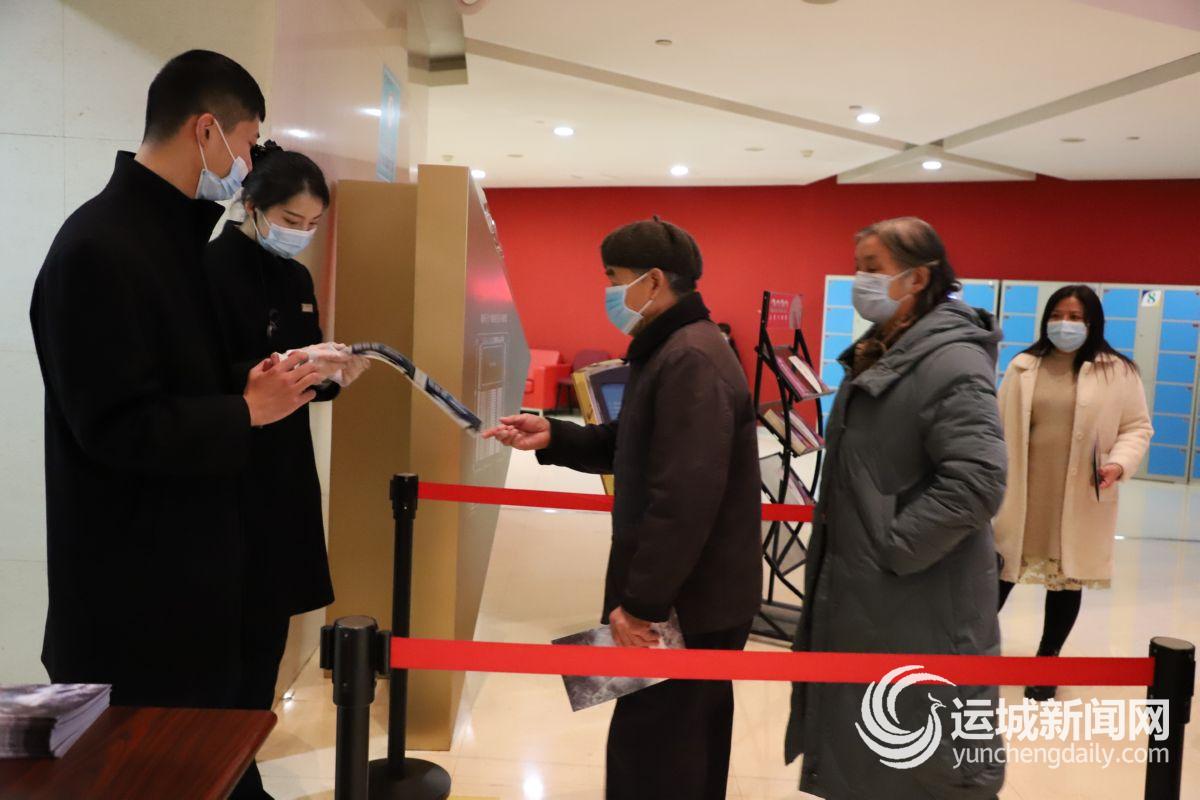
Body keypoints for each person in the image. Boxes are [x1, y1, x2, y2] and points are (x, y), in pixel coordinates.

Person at [30, 49, 321, 790]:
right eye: (247, 143)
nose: (249, 163)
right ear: (206, 130)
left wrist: (244, 385)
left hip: (197, 592)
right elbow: (115, 425)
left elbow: (171, 381)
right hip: (137, 609)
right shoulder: (100, 247)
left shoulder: (171, 239)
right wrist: (244, 410)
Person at [484, 217, 762, 800]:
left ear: (653, 281)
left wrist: (642, 606)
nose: (609, 292)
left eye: (614, 278)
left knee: (657, 750)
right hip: (690, 594)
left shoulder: (690, 358)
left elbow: (682, 498)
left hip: (687, 601)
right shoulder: (673, 349)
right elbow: (631, 445)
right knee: (678, 740)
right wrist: (555, 435)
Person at [785, 217, 1007, 799]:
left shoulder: (949, 362)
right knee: (870, 747)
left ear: (918, 278)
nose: (860, 280)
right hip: (874, 594)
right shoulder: (885, 352)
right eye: (857, 266)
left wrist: (892, 548)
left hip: (915, 594)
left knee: (916, 753)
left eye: (872, 268)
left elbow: (979, 479)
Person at [205, 143, 368, 796]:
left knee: (267, 638)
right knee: (223, 644)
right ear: (251, 205)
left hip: (284, 478)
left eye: (312, 224)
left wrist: (331, 375)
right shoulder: (207, 269)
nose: (301, 233)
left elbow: (306, 381)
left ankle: (243, 768)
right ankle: (220, 774)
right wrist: (269, 374)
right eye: (291, 220)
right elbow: (200, 377)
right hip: (225, 477)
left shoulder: (296, 279)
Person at [993, 285, 1151, 700]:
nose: (1065, 324)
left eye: (1076, 317)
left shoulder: (1118, 371)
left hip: (1079, 494)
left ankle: (1047, 661)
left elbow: (1137, 427)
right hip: (1024, 491)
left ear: (1093, 322)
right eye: (1058, 315)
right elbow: (997, 424)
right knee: (997, 574)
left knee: (1065, 580)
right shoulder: (1024, 366)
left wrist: (1119, 463)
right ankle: (972, 652)